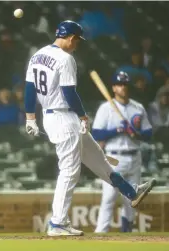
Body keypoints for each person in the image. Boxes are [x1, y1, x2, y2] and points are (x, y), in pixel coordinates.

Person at [24, 20, 156, 236]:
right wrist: (83, 115)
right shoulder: (66, 59)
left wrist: (30, 118)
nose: (76, 45)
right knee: (69, 171)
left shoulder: (37, 55)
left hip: (52, 116)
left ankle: (130, 192)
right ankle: (57, 223)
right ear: (71, 38)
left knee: (99, 160)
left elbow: (30, 90)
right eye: (76, 41)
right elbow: (68, 92)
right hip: (64, 117)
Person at [92, 71, 153, 233]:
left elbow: (148, 133)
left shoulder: (137, 107)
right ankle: (100, 234)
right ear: (113, 87)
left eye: (125, 84)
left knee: (132, 200)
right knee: (109, 198)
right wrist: (118, 130)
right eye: (119, 84)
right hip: (114, 158)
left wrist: (136, 133)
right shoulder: (106, 108)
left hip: (134, 157)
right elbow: (96, 133)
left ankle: (127, 234)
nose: (122, 87)